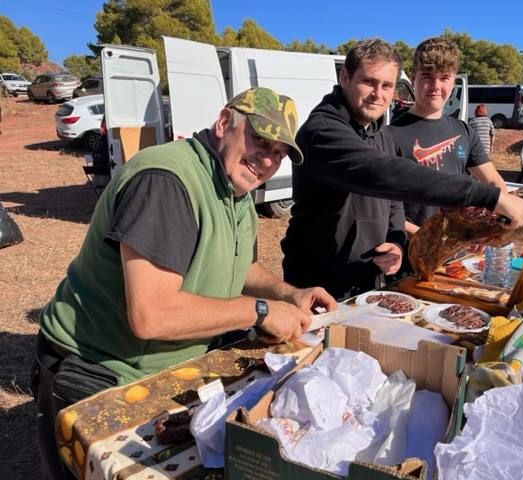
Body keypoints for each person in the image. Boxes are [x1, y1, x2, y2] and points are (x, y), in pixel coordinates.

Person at [32, 87, 336, 480]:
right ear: (225, 122)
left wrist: (287, 293)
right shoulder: (167, 181)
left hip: (164, 371)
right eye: (260, 139)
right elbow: (151, 315)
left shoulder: (235, 190)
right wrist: (259, 311)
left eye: (279, 153)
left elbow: (238, 264)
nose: (267, 159)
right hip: (100, 370)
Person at [281, 38, 523, 301]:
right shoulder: (323, 131)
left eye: (387, 85)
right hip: (318, 284)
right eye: (369, 82)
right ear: (345, 78)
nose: (379, 94)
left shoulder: (376, 131)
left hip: (364, 280)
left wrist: (398, 244)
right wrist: (489, 197)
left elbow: (393, 203)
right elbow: (382, 174)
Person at [388, 38, 507, 236]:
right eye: (427, 76)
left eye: (444, 77)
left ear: (453, 82)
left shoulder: (465, 131)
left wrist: (486, 223)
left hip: (456, 252)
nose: (435, 86)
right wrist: (428, 237)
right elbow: (383, 207)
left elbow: (495, 183)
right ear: (413, 77)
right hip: (410, 251)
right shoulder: (390, 135)